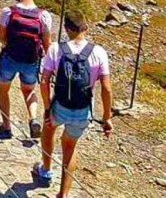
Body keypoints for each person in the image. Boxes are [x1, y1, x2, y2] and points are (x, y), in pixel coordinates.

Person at [35, 11, 113, 197]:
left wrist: (47, 108)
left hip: (59, 105)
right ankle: (63, 194)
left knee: (48, 130)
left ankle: (45, 170)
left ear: (67, 29)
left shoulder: (56, 49)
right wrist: (107, 118)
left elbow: (44, 81)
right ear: (85, 27)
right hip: (82, 109)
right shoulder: (99, 52)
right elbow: (107, 88)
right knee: (69, 147)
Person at [0, 0, 53, 141]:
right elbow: (46, 44)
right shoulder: (44, 16)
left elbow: (1, 37)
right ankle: (33, 119)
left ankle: (6, 127)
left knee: (3, 90)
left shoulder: (8, 12)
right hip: (31, 61)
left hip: (10, 57)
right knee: (29, 90)